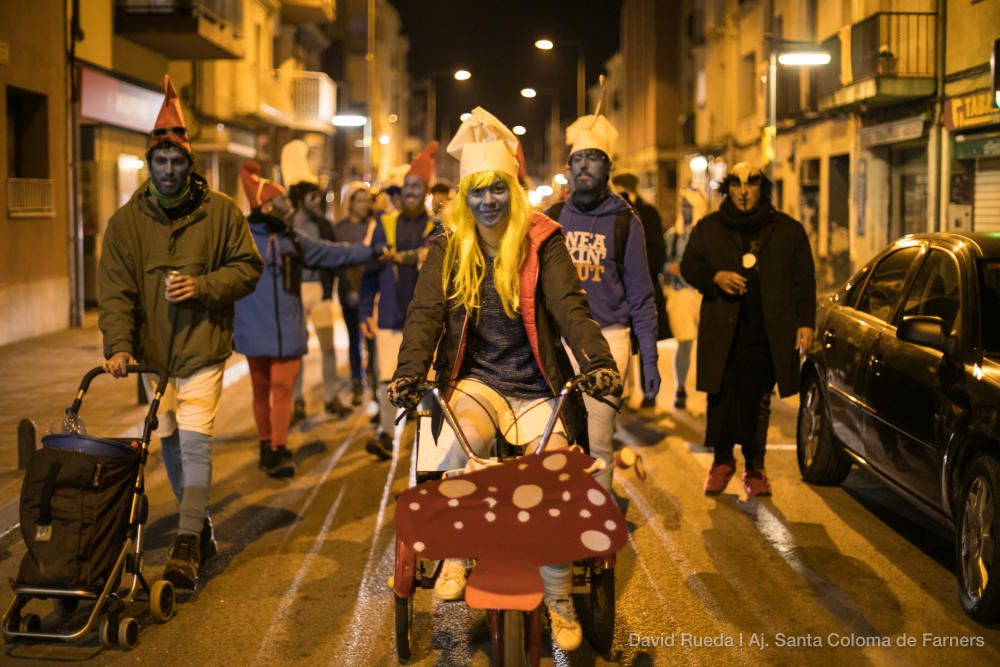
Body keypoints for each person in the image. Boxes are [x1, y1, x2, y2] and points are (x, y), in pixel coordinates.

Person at [386, 107, 621, 652]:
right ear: (464, 196)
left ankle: (559, 595)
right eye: (477, 192)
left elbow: (571, 308)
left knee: (555, 479)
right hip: (478, 382)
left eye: (497, 190)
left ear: (512, 190)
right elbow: (424, 315)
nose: (488, 201)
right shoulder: (447, 245)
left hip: (538, 386)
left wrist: (597, 362)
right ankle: (457, 550)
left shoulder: (545, 240)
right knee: (457, 446)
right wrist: (407, 374)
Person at [98, 75, 263, 589]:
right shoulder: (126, 224)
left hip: (202, 350)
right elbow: (116, 293)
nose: (168, 170)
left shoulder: (221, 213)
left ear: (190, 163)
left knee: (195, 443)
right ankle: (201, 523)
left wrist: (204, 285)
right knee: (167, 438)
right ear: (150, 164)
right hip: (152, 359)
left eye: (177, 162)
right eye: (160, 162)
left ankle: (187, 541)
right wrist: (120, 345)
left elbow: (247, 268)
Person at [235, 162, 381, 478]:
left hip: (287, 329)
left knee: (282, 388)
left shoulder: (293, 239)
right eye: (282, 203)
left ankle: (278, 447)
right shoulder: (238, 238)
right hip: (252, 328)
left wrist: (370, 252)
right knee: (261, 391)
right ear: (268, 205)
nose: (288, 208)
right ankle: (267, 444)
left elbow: (333, 253)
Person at [680, 162, 816, 497]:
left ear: (762, 187)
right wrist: (715, 277)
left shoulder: (787, 230)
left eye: (752, 183)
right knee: (720, 396)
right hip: (722, 329)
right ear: (727, 188)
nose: (744, 191)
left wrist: (805, 322)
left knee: (758, 400)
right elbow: (689, 265)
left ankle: (755, 468)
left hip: (767, 331)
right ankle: (722, 462)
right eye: (737, 184)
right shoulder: (709, 228)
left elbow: (803, 279)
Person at [545, 105, 660, 492]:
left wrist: (650, 360)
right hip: (558, 341)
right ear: (568, 167)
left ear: (608, 167)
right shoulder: (553, 216)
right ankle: (561, 516)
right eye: (577, 159)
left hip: (609, 340)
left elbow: (643, 297)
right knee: (553, 439)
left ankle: (597, 523)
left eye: (593, 158)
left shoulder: (626, 220)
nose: (584, 167)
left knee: (596, 440)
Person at [359, 142, 440, 460]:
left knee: (429, 378)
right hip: (391, 314)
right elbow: (370, 270)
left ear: (426, 191)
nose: (410, 191)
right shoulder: (385, 223)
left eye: (416, 186)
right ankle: (387, 436)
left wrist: (405, 257)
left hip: (428, 319)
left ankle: (432, 448)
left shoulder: (437, 227)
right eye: (406, 186)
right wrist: (366, 310)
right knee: (387, 378)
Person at [280, 140, 348, 422]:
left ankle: (331, 397)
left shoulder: (323, 225)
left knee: (328, 346)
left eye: (317, 197)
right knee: (296, 349)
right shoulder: (285, 223)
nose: (316, 201)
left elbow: (333, 258)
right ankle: (297, 401)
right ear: (300, 197)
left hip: (318, 292)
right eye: (311, 196)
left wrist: (330, 290)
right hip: (293, 293)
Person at [611, 171, 670, 408]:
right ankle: (625, 392)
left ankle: (649, 391)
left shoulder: (645, 213)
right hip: (620, 290)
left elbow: (657, 250)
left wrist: (640, 272)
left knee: (645, 338)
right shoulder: (614, 213)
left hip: (641, 287)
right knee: (624, 343)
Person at [334, 182, 378, 406]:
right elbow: (337, 263)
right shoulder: (339, 229)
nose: (364, 205)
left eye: (367, 200)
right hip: (349, 292)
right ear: (349, 203)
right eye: (359, 200)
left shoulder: (374, 225)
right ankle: (356, 381)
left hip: (371, 294)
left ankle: (375, 381)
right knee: (354, 339)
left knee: (373, 340)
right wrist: (348, 289)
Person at [663, 186, 708, 409]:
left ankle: (706, 388)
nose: (684, 209)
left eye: (688, 205)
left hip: (703, 294)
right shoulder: (673, 236)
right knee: (685, 343)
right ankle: (681, 388)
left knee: (707, 345)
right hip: (681, 295)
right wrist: (671, 268)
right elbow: (661, 263)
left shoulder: (708, 235)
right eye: (682, 205)